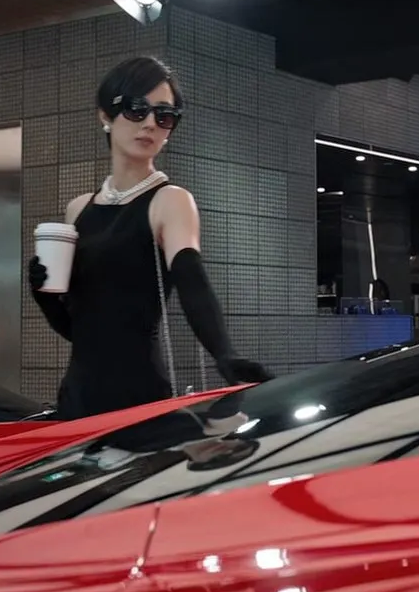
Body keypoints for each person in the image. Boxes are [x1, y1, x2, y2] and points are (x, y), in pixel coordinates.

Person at [28, 56, 272, 419]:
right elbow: (83, 331)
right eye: (136, 109)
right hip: (77, 399)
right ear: (106, 115)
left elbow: (191, 279)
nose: (149, 124)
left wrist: (224, 353)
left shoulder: (170, 201)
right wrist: (45, 298)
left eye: (164, 115)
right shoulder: (78, 210)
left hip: (140, 398)